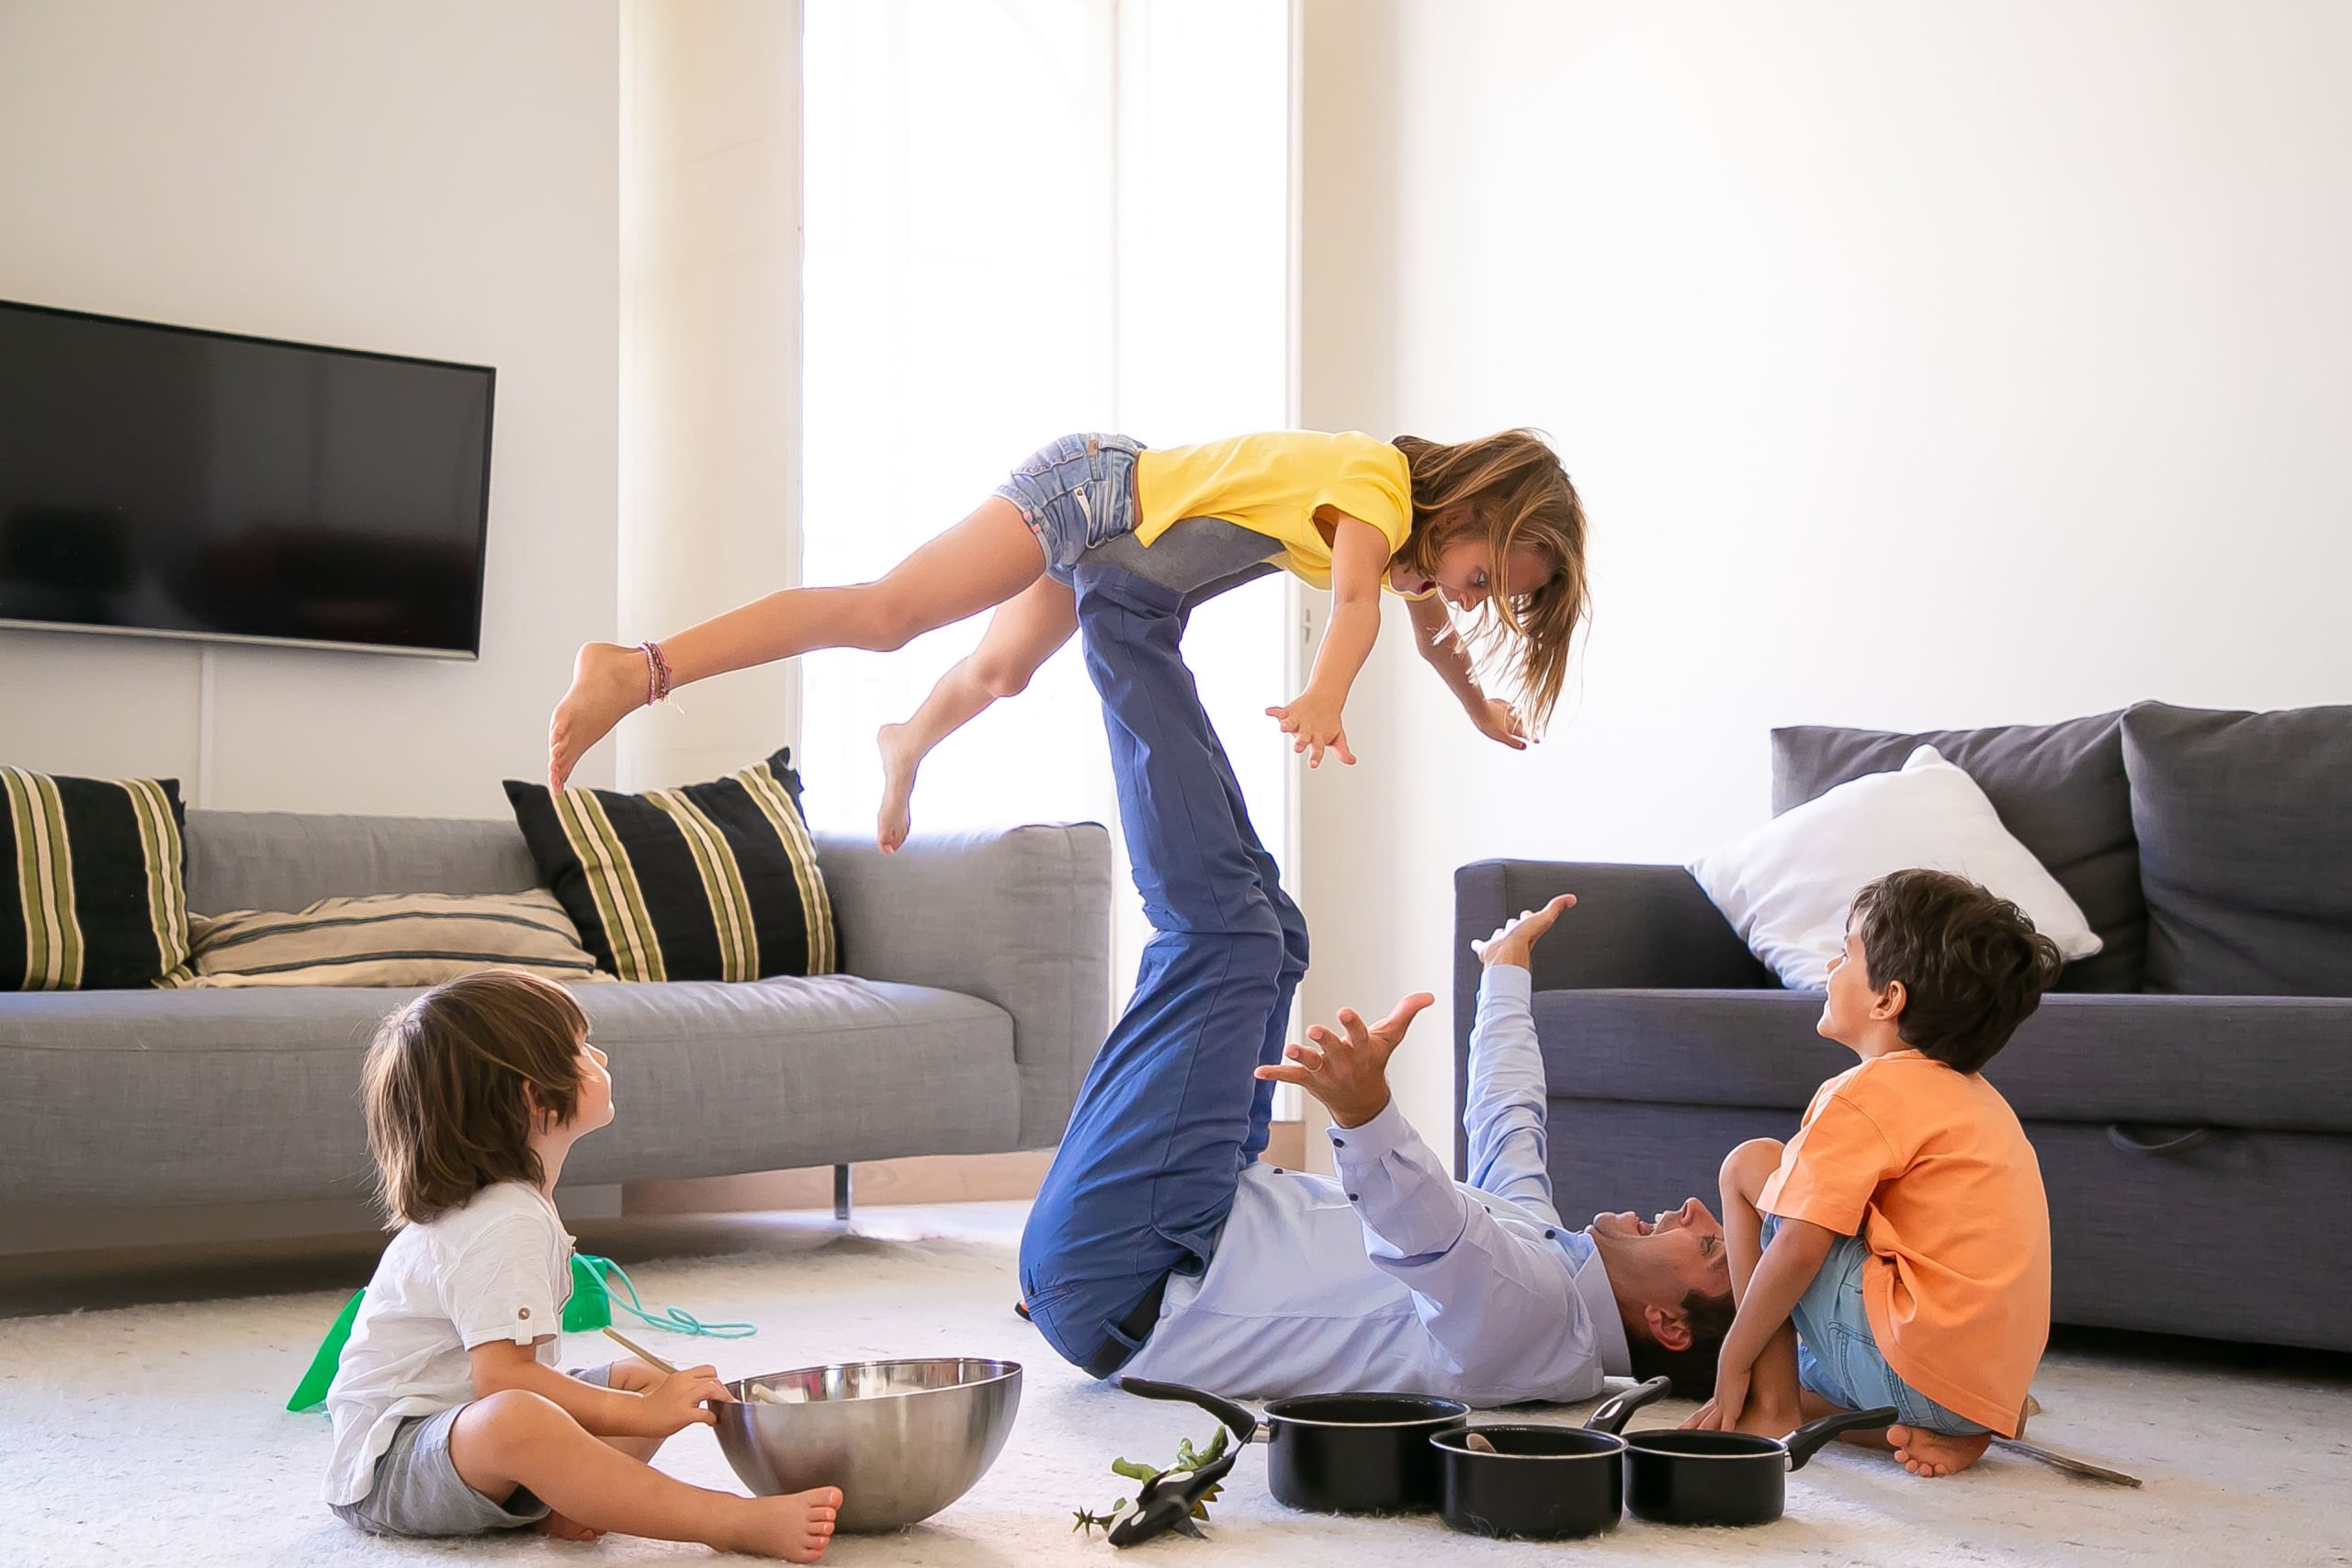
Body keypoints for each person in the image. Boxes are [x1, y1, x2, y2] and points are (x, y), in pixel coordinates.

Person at [1016, 550, 1730, 1404]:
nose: (1692, 1207)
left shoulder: (1539, 1325)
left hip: (1127, 1272)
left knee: (1229, 937)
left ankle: (1120, 607)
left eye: (1710, 1247)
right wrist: (1505, 978)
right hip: (1189, 1218)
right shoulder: (1548, 1258)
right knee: (1276, 935)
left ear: (1671, 1325)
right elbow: (1510, 1128)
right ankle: (1145, 626)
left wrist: (1366, 1114)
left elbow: (1431, 1237)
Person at [545, 428, 1591, 851]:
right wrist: (1324, 696)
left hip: (1118, 541)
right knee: (888, 614)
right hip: (1089, 489)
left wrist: (1479, 705)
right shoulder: (1378, 487)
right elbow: (1358, 608)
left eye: (1498, 598)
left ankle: (907, 740)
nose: (1473, 599)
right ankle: (638, 668)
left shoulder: (1414, 548)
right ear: (1476, 507)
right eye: (1488, 575)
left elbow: (1426, 636)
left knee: (1000, 673)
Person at [323, 969, 842, 1559]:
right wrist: (641, 1415)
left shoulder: (517, 1206)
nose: (598, 1054)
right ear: (534, 1096)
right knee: (522, 1416)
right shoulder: (502, 1220)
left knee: (642, 1377)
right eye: (577, 1047)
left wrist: (643, 1401)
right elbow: (504, 1378)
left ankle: (574, 1503)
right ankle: (726, 1522)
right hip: (393, 1469)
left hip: (462, 1434)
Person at [1688, 869, 2061, 1478]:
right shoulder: (1983, 1102)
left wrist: (1735, 1354)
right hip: (1982, 1388)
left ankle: (1770, 1407)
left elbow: (1801, 1246)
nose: (1830, 968)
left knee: (1750, 1164)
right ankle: (1953, 1427)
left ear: (1887, 998)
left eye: (1845, 952)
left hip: (1916, 1360)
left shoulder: (1867, 1089)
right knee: (1818, 1356)